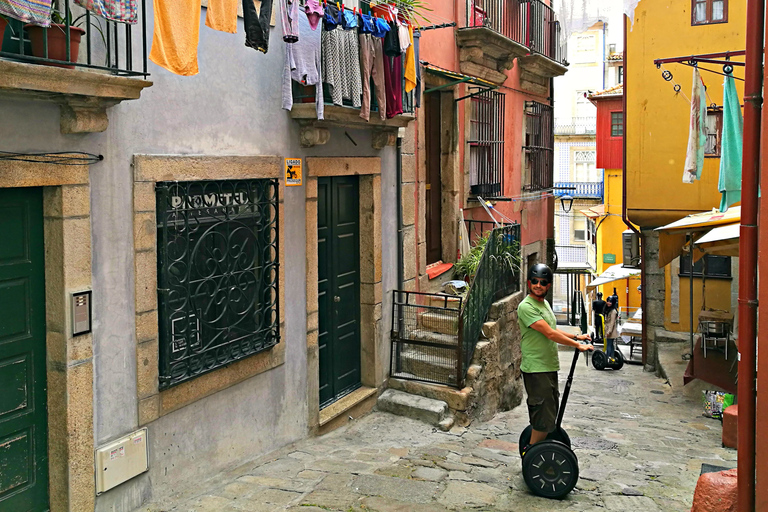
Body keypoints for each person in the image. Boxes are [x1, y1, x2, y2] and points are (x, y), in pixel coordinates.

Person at [517, 263, 593, 453]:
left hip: (548, 367)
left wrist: (576, 336)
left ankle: (538, 448)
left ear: (549, 285)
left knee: (550, 412)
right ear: (528, 282)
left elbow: (552, 328)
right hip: (536, 369)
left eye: (543, 282)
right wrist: (577, 346)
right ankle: (531, 451)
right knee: (542, 414)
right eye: (534, 281)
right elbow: (549, 334)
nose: (538, 285)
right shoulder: (526, 307)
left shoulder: (544, 304)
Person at [603, 295, 620, 362]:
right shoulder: (609, 310)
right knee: (611, 345)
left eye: (610, 302)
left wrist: (609, 332)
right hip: (609, 329)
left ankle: (608, 358)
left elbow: (612, 323)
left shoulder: (613, 311)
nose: (608, 303)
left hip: (611, 331)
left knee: (609, 345)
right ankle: (612, 358)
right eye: (608, 301)